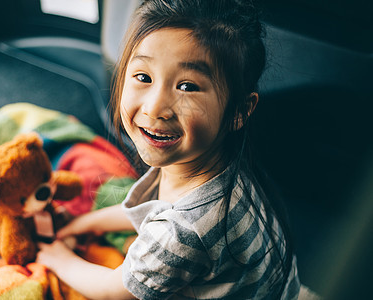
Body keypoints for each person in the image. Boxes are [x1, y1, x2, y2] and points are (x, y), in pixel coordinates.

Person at [36, 0, 300, 299]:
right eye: (144, 77)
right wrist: (81, 224)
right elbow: (152, 210)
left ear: (239, 110)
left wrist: (56, 257)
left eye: (187, 87)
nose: (155, 108)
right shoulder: (216, 164)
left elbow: (114, 291)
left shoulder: (184, 231)